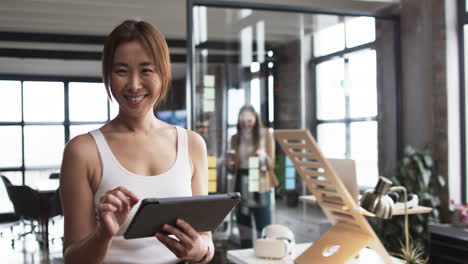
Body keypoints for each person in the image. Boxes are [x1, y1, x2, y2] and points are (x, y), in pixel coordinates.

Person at [60, 20, 213, 264]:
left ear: (163, 74)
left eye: (146, 70)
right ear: (108, 75)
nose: (133, 84)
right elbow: (72, 260)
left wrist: (200, 251)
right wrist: (104, 234)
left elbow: (206, 240)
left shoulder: (192, 145)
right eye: (121, 70)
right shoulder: (83, 151)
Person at [226, 105, 278, 248]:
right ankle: (245, 252)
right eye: (243, 120)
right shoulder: (235, 138)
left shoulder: (265, 134)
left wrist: (263, 157)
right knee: (243, 223)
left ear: (255, 119)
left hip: (259, 181)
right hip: (240, 181)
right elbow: (232, 169)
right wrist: (230, 164)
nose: (246, 124)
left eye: (249, 120)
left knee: (263, 223)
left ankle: (266, 252)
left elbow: (272, 164)